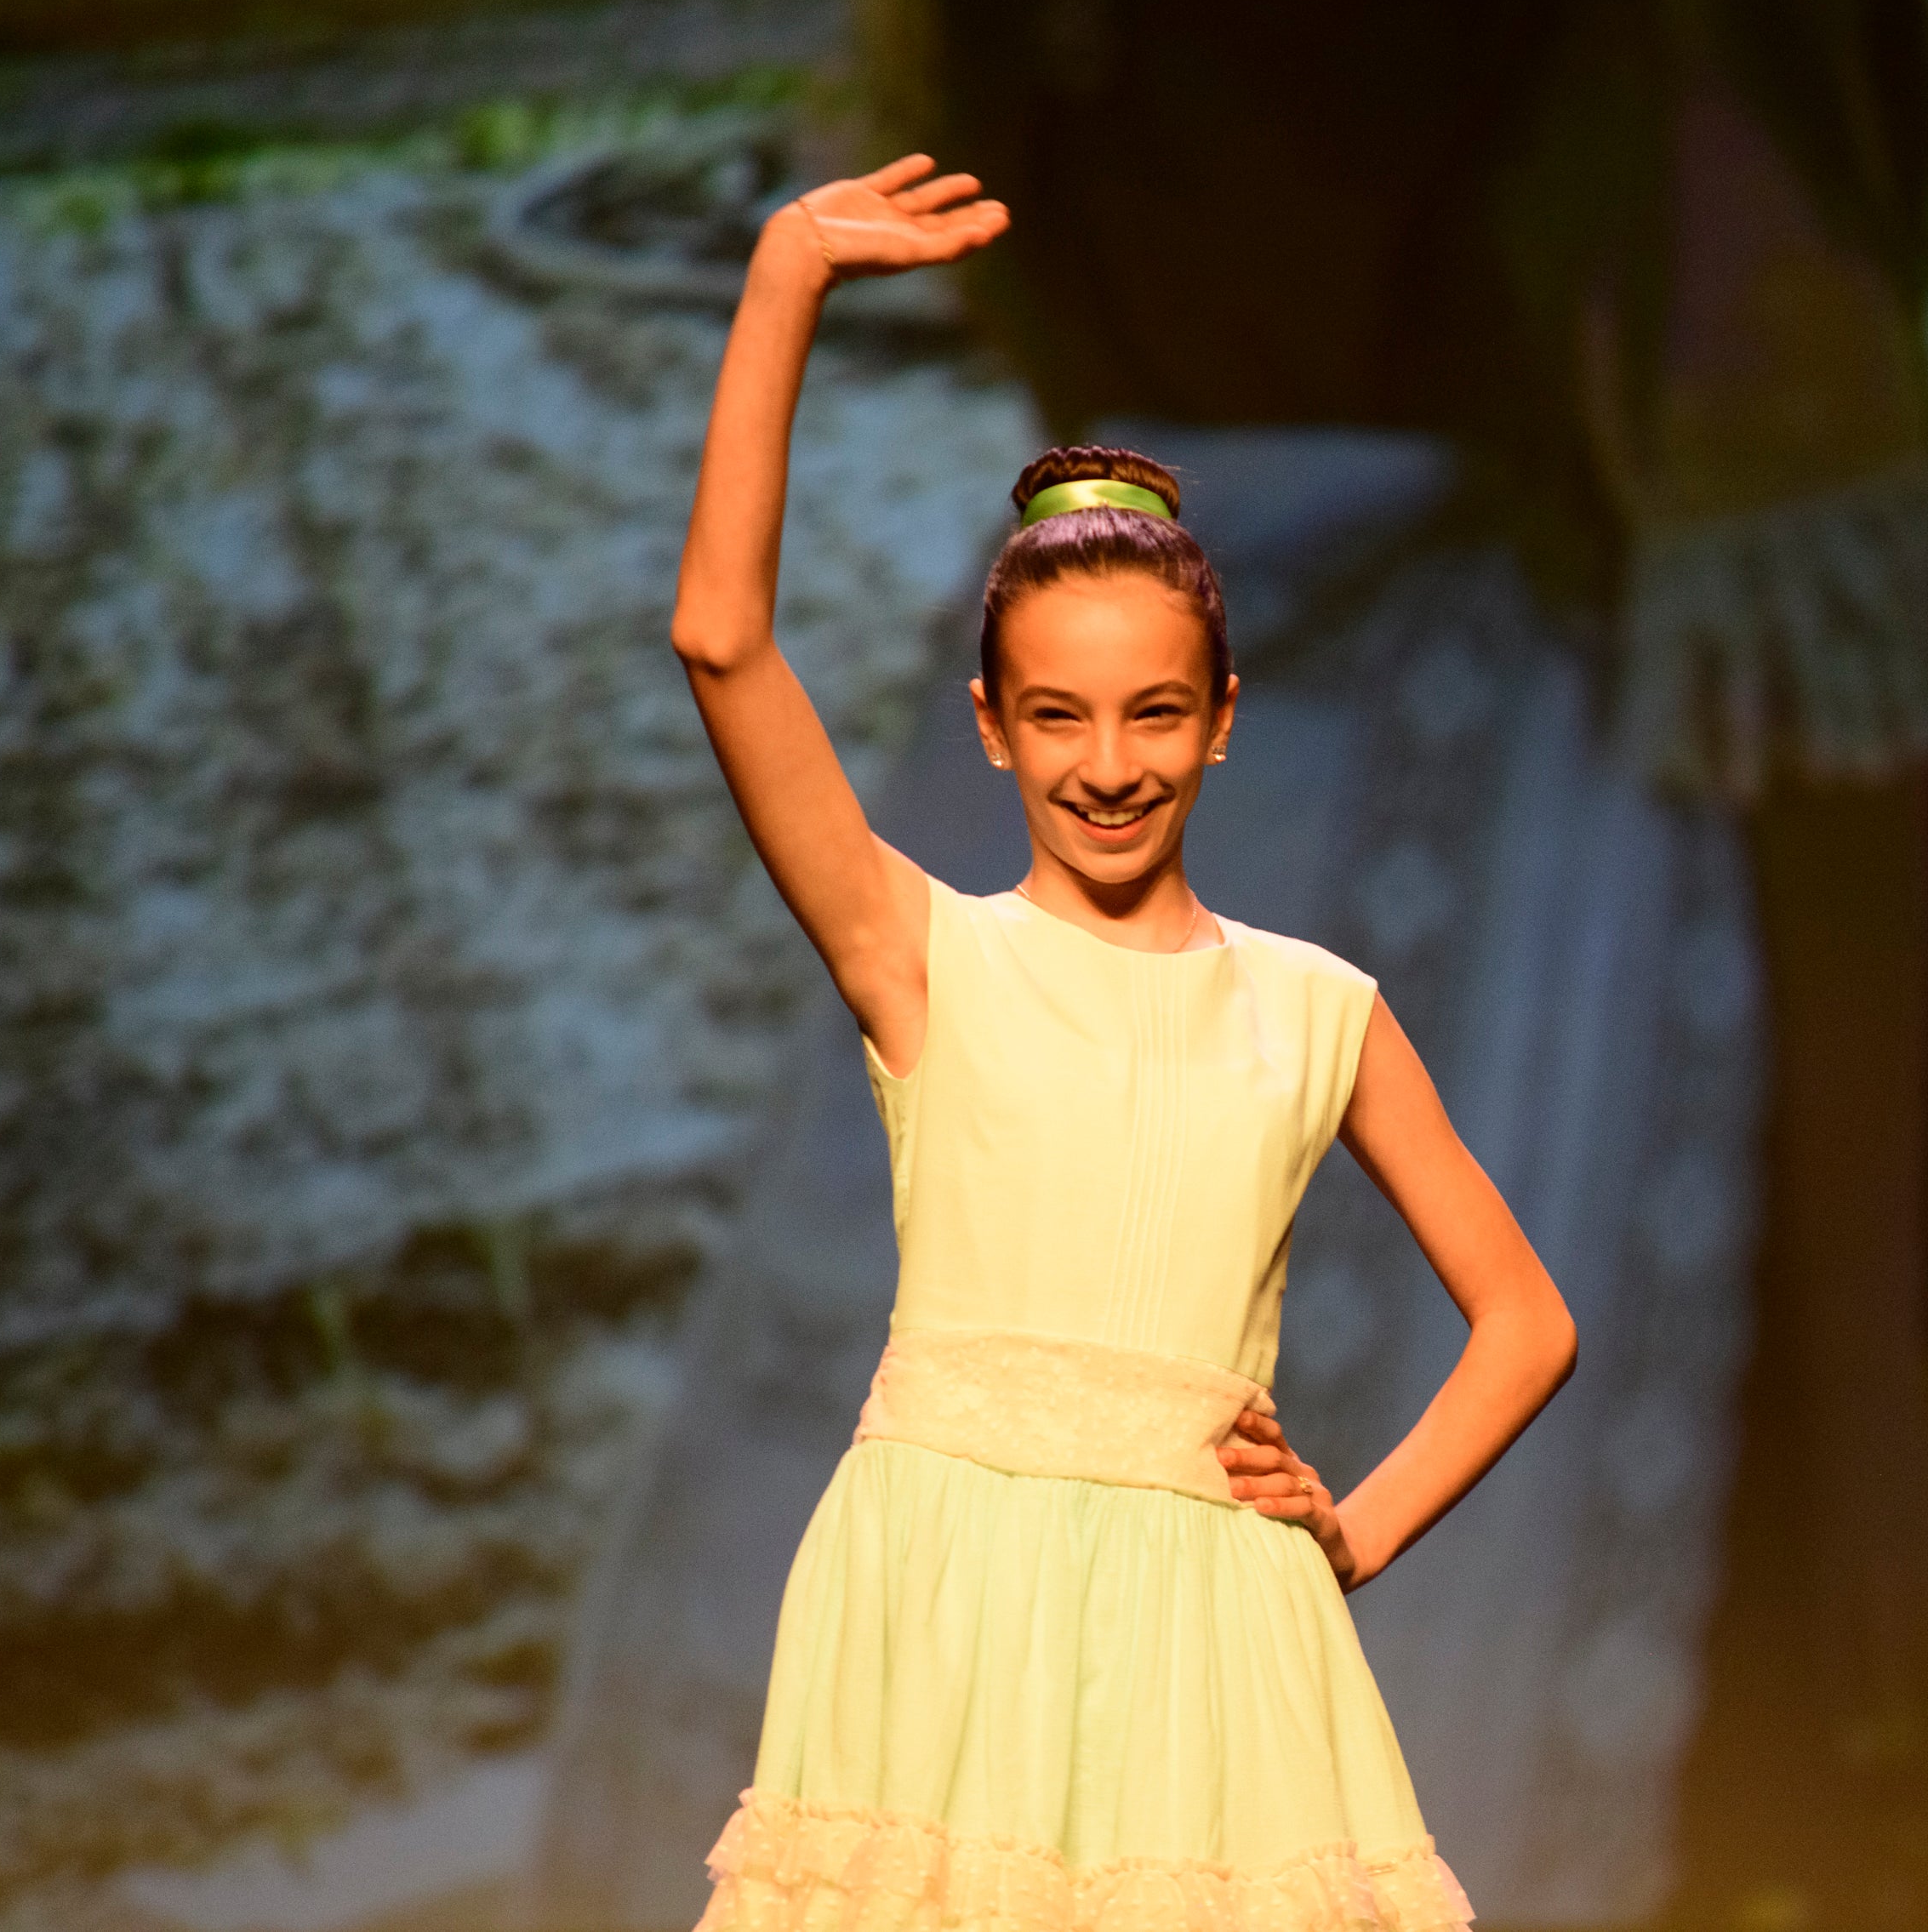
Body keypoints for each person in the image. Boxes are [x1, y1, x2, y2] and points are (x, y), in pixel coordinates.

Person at [664, 151, 1580, 1932]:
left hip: (1214, 1637)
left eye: (1155, 709)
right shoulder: (921, 954)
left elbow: (1526, 1318)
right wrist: (783, 274)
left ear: (1223, 720)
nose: (1107, 759)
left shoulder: (1317, 1006)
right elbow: (719, 640)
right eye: (1057, 713)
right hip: (935, 1596)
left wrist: (1355, 1529)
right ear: (990, 729)